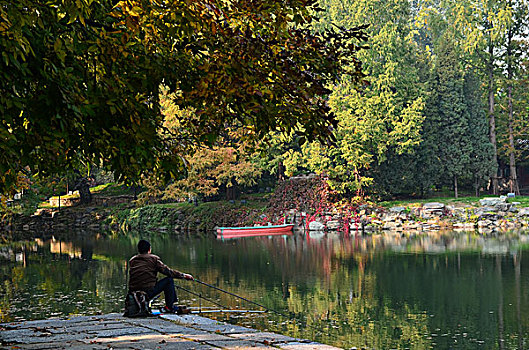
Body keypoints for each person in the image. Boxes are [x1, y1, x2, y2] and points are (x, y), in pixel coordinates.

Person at [128, 239, 194, 313]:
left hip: (133, 293)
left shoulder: (132, 260)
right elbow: (168, 272)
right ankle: (169, 307)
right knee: (169, 280)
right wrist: (183, 275)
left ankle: (170, 306)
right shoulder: (154, 259)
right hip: (147, 292)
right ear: (149, 249)